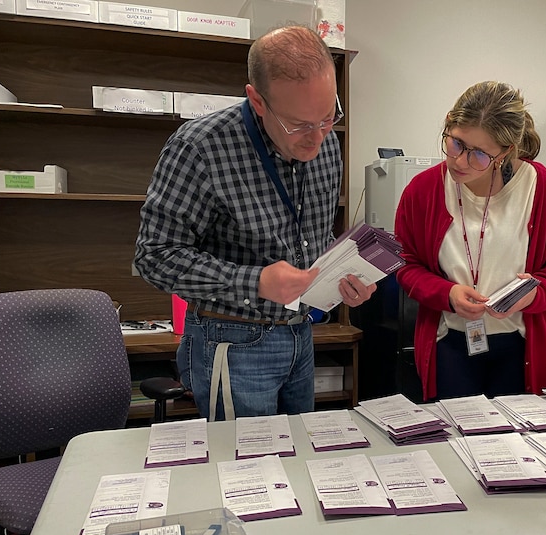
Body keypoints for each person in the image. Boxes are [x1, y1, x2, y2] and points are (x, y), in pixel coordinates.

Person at [134, 26, 374, 420]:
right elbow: (155, 256)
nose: (316, 138)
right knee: (244, 459)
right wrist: (256, 282)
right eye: (299, 124)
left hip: (301, 333)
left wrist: (343, 278)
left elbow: (311, 239)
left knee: (300, 453)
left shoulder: (327, 145)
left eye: (328, 117)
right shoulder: (200, 147)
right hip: (233, 339)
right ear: (257, 101)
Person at [394, 81, 546, 401]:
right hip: (449, 344)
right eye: (456, 143)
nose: (460, 161)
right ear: (449, 124)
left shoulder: (539, 188)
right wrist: (447, 293)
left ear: (505, 152)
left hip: (521, 346)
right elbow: (405, 264)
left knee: (520, 432)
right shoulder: (423, 190)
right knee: (454, 430)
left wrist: (534, 294)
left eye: (479, 154)